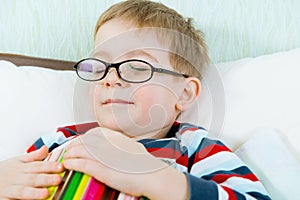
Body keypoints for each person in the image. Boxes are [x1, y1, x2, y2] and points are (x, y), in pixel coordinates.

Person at [1, 0, 271, 199]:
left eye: (138, 67)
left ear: (184, 93)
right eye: (101, 66)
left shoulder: (194, 147)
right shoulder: (60, 141)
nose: (111, 78)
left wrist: (159, 179)